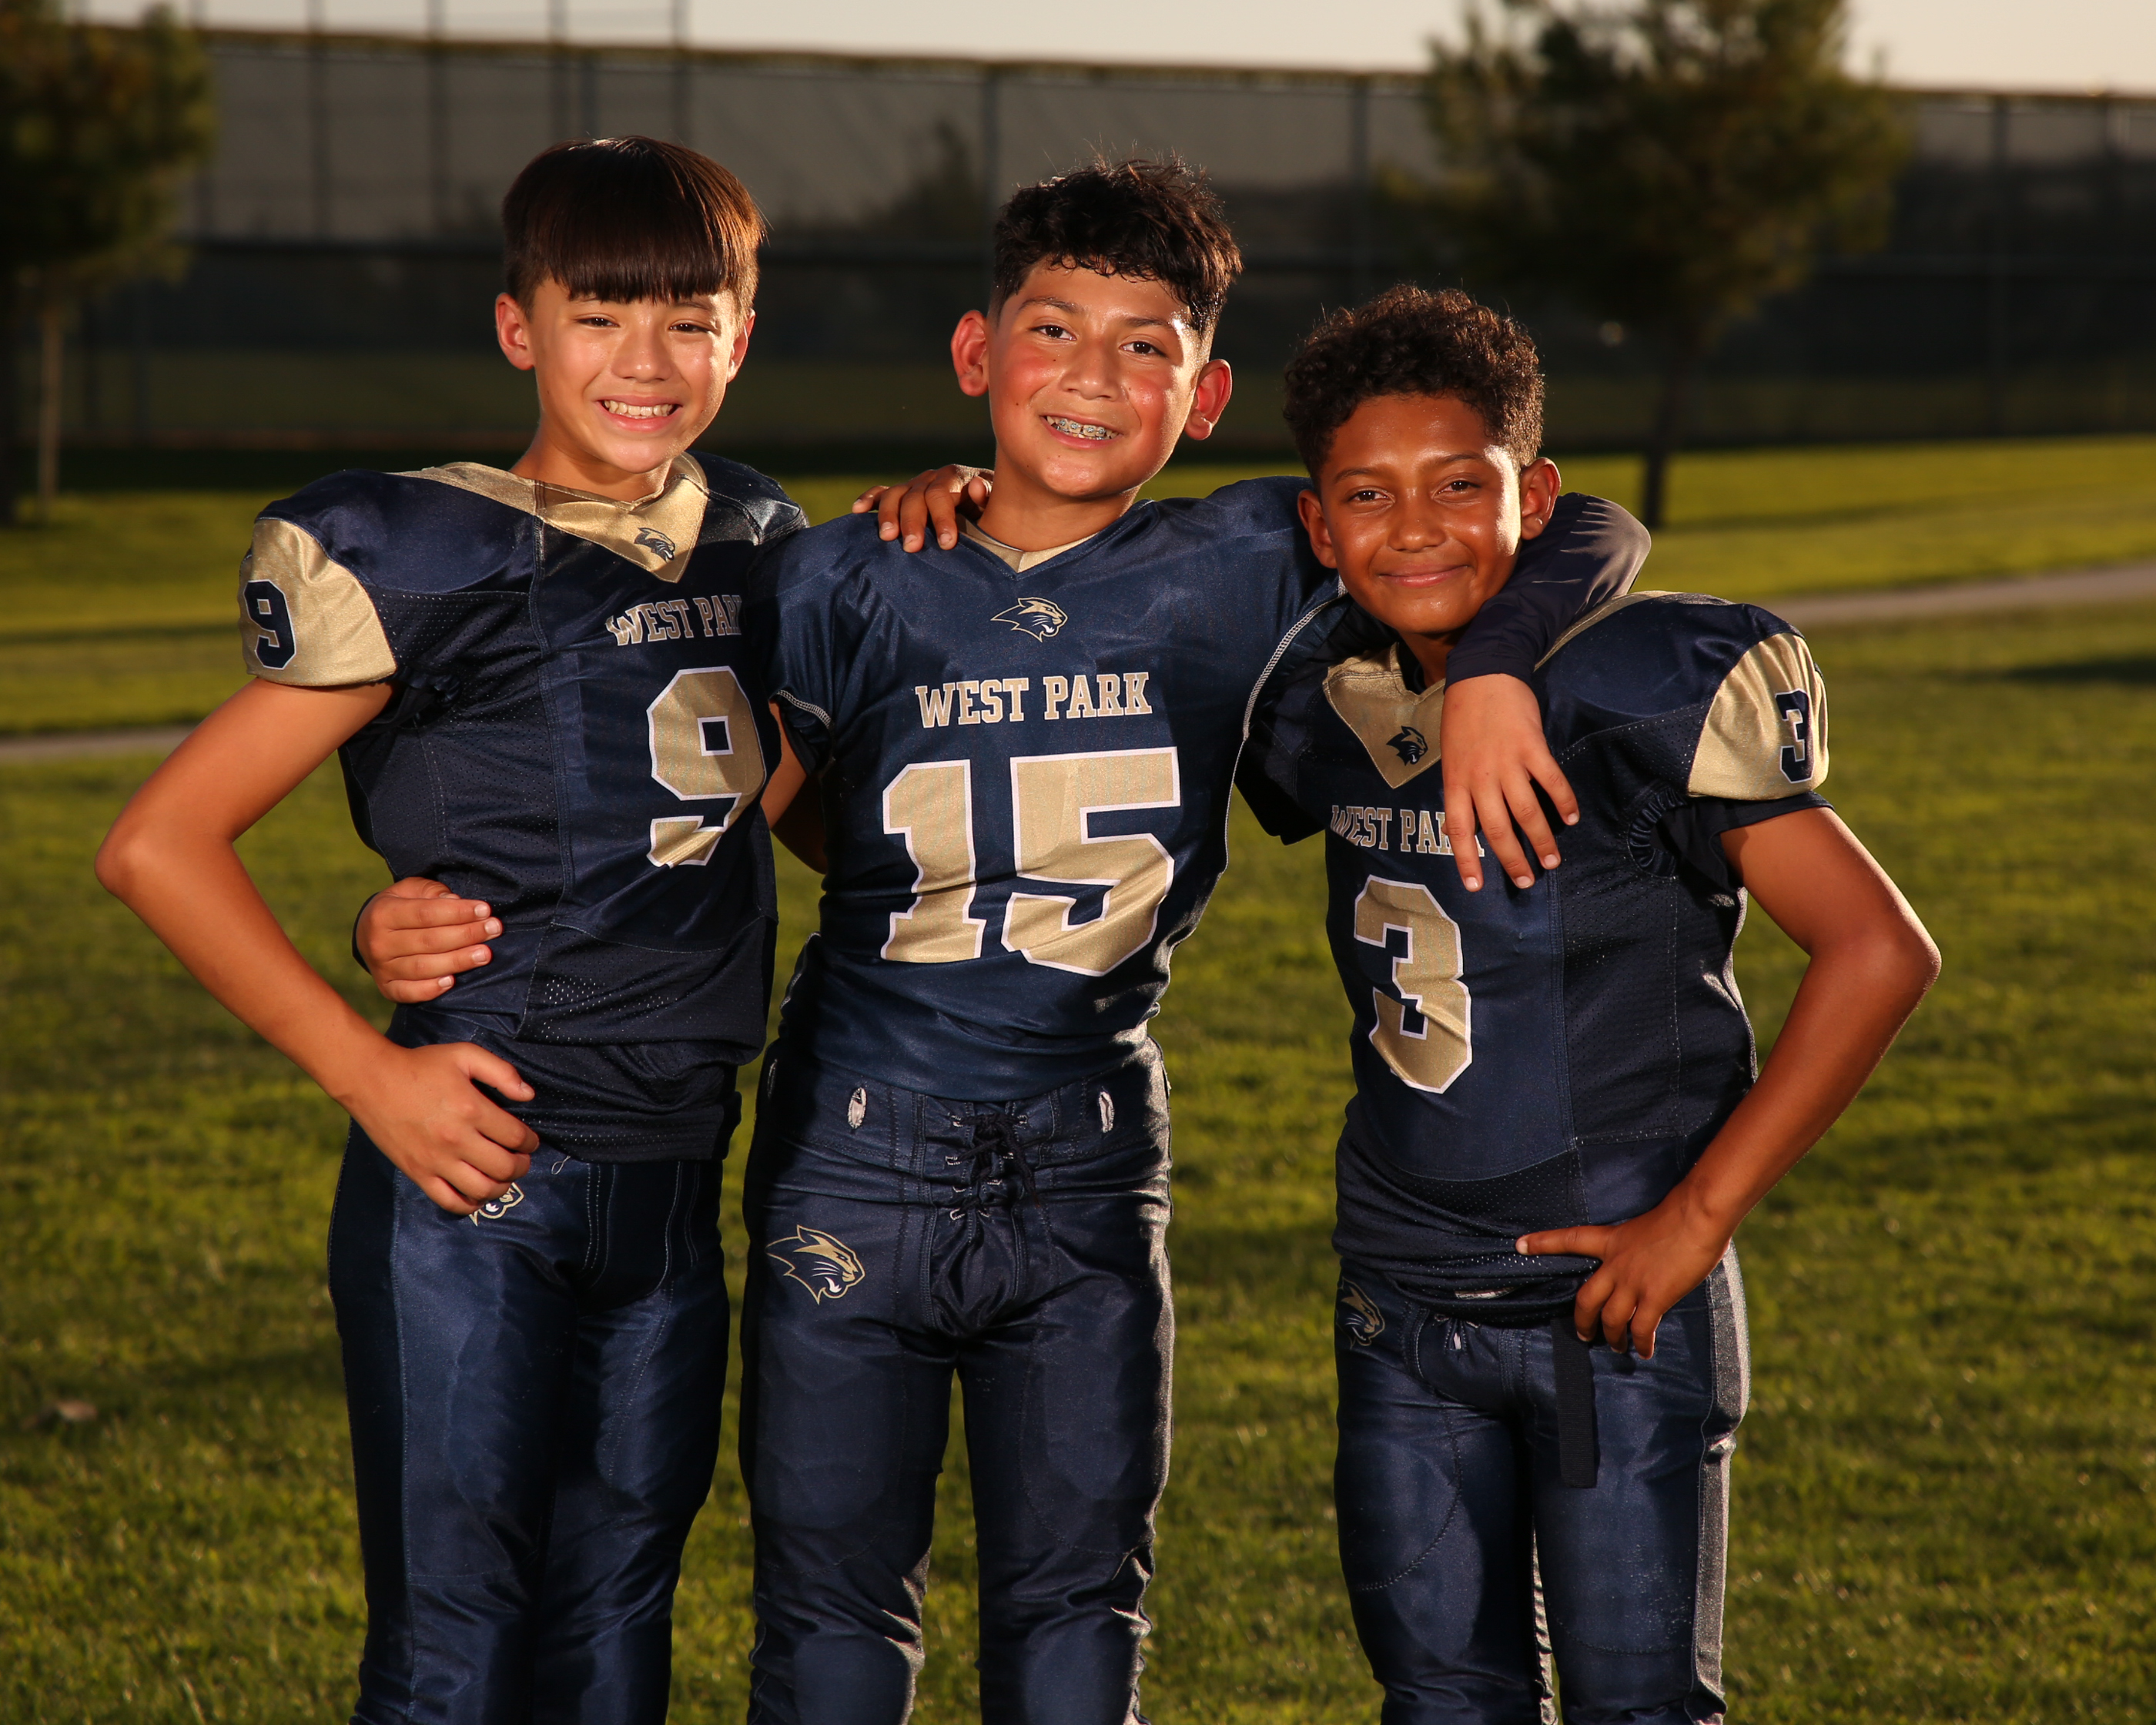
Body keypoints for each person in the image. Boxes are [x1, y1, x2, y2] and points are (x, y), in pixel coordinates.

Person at [353, 158, 1644, 1723]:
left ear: (1207, 395)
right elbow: (679, 794)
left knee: (1078, 1618)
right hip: (854, 1150)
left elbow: (1586, 524)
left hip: (1085, 1160)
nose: (1091, 375)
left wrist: (1495, 666)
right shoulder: (842, 569)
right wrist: (411, 904)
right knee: (832, 1629)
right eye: (1053, 331)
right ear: (977, 355)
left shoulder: (1255, 560)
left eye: (1143, 346)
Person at [95, 136, 829, 1725]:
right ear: (519, 328)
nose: (646, 361)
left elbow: (779, 802)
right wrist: (368, 1068)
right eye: (598, 316)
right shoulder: (425, 552)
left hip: (673, 1175)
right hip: (481, 1173)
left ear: (741, 336)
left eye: (688, 320)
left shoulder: (758, 537)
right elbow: (157, 844)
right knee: (452, 1660)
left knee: (614, 1644)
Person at [1237, 285, 1941, 1724]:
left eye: (1460, 486)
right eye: (1368, 495)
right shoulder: (1326, 689)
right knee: (1441, 1702)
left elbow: (1878, 949)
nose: (1414, 526)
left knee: (1639, 1710)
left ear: (1533, 498)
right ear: (1323, 523)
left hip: (1613, 1299)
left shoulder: (1633, 685)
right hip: (1399, 1294)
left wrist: (1699, 1216)